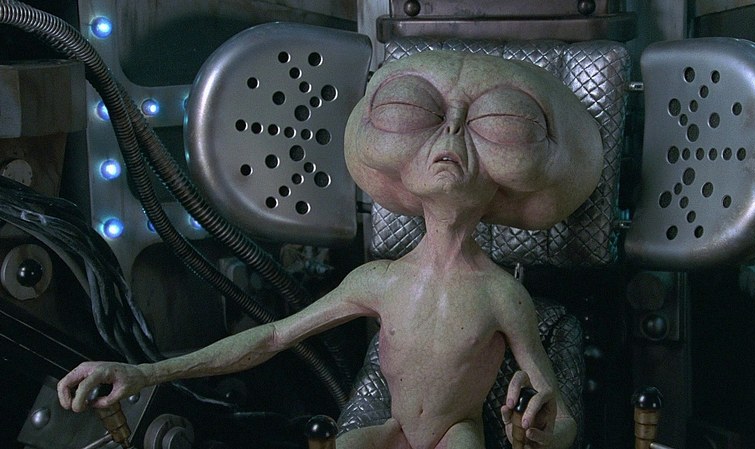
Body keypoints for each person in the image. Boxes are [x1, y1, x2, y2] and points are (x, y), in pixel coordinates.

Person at [58, 50, 603, 449]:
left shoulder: (503, 295)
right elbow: (273, 336)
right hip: (388, 431)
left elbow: (558, 416)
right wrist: (146, 374)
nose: (452, 134)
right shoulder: (378, 281)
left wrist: (537, 433)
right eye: (422, 114)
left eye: (498, 122)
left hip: (457, 435)